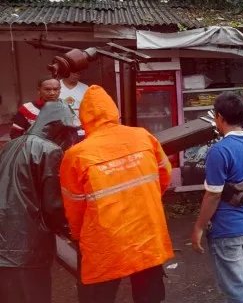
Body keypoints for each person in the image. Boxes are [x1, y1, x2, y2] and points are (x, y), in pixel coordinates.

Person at [60, 85, 173, 303]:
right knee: (149, 295)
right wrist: (146, 200)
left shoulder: (76, 155)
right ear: (114, 111)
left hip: (104, 242)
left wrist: (78, 236)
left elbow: (74, 206)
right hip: (146, 231)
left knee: (98, 295)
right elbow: (164, 175)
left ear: (84, 117)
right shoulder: (143, 137)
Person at [0, 101, 78, 303]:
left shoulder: (11, 146)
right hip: (29, 246)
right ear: (53, 125)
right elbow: (53, 207)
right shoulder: (49, 150)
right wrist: (73, 233)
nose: (70, 137)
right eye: (68, 130)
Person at [191, 92, 243, 303]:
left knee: (234, 286)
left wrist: (199, 227)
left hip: (227, 229)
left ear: (219, 117)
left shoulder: (219, 151)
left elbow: (213, 196)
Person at [60, 72, 89, 139]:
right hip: (60, 126)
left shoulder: (85, 88)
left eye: (78, 73)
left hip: (80, 127)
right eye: (72, 72)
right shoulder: (56, 86)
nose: (75, 75)